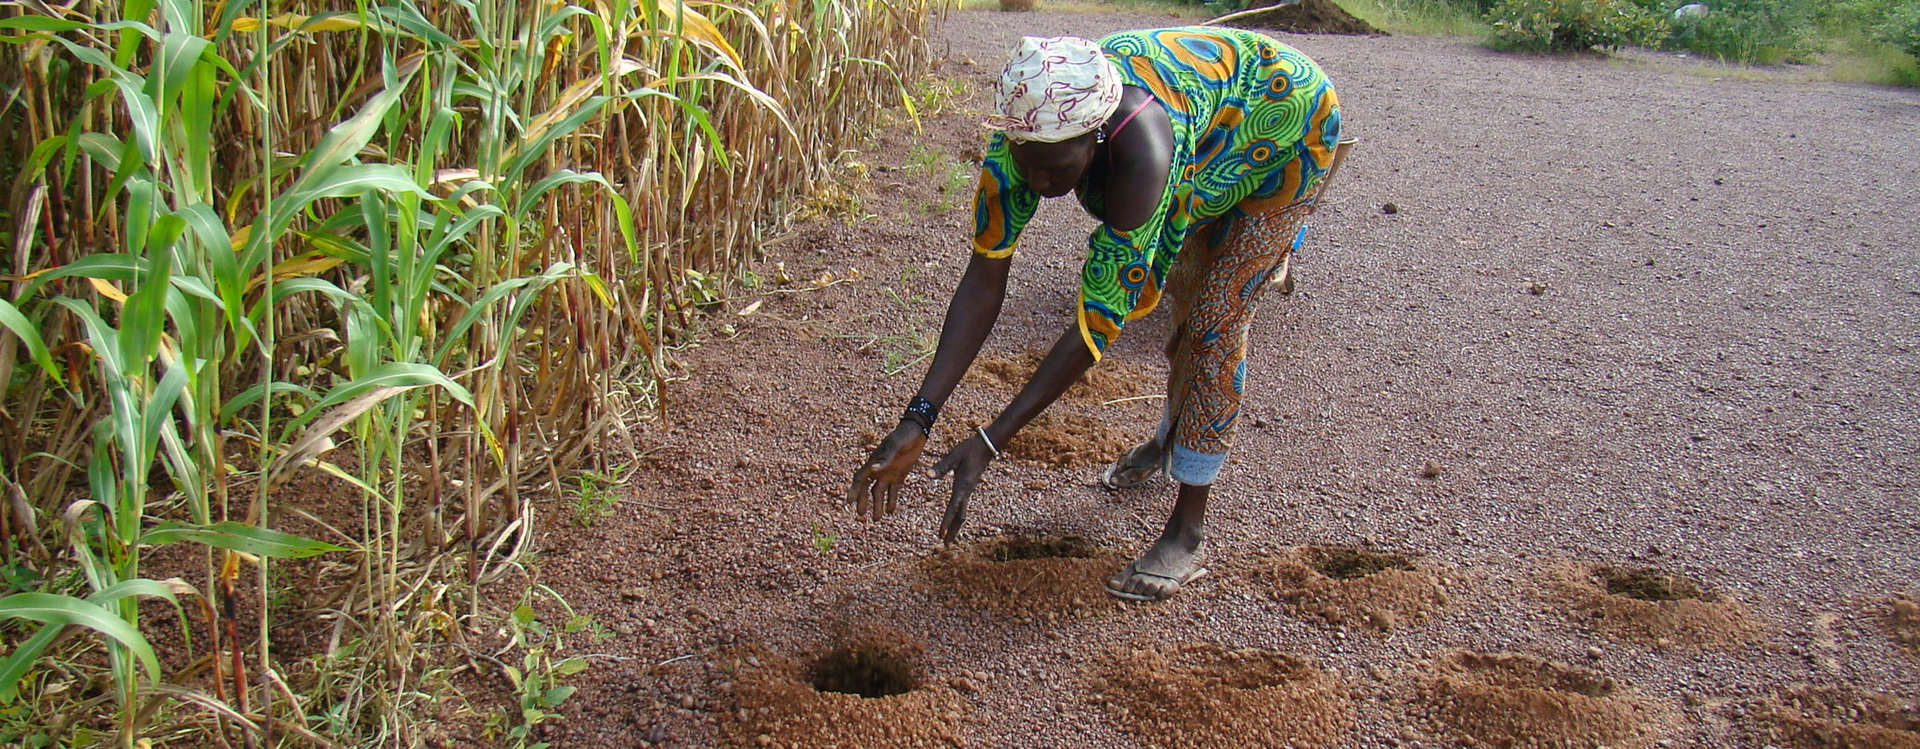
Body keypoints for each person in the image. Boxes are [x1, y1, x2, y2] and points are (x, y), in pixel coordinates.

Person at [847, 27, 1353, 602]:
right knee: (1183, 293)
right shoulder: (1028, 129)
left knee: (1214, 321)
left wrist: (992, 439)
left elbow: (1098, 322)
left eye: (1054, 169)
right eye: (1027, 163)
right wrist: (919, 417)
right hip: (1208, 119)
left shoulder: (1144, 159)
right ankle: (1171, 439)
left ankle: (1187, 531)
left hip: (1285, 120)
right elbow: (984, 279)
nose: (1037, 181)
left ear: (1096, 134)